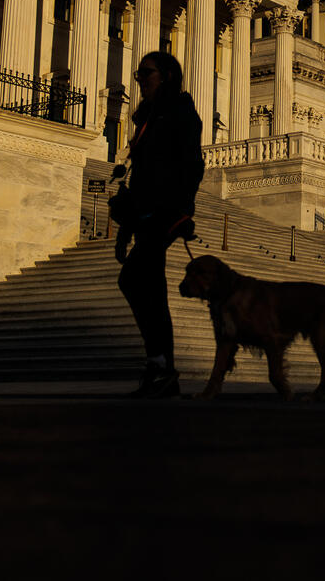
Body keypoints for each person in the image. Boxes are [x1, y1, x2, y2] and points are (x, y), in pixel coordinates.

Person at [116, 51, 203, 398]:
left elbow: (191, 167)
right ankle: (162, 365)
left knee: (136, 280)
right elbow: (140, 176)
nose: (140, 80)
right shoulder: (149, 116)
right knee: (147, 287)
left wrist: (181, 213)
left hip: (163, 213)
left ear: (167, 75)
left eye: (147, 73)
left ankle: (161, 362)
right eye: (139, 74)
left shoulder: (181, 113)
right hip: (144, 212)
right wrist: (124, 227)